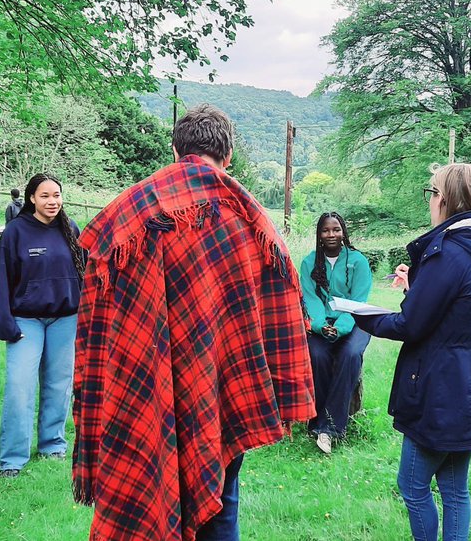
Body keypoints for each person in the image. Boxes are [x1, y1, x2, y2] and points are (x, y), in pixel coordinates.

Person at [72, 104, 315, 541]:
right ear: (229, 154)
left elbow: (97, 315)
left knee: (158, 492)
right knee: (223, 498)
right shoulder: (247, 213)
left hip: (144, 388)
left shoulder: (129, 212)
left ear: (175, 148)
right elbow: (283, 302)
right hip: (223, 389)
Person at [352, 163, 471, 541]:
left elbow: (409, 325)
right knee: (454, 488)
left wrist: (358, 314)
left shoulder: (447, 253)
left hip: (441, 389)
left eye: (431, 193)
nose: (429, 201)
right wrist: (416, 287)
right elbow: (456, 312)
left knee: (412, 485)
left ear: (443, 199)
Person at [0, 173, 85, 478]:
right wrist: (5, 322)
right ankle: (12, 459)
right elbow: (0, 281)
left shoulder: (69, 229)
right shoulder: (16, 232)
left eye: (56, 195)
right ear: (32, 198)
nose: (52, 201)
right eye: (45, 196)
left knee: (59, 386)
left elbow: (88, 270)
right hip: (25, 321)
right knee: (19, 388)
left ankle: (52, 444)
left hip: (65, 319)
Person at [298, 211, 372, 455]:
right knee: (317, 355)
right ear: (319, 234)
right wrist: (320, 325)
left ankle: (330, 428)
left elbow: (358, 300)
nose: (331, 234)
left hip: (354, 322)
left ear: (344, 232)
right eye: (326, 230)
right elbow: (310, 299)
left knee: (350, 355)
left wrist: (340, 328)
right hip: (322, 323)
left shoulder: (358, 261)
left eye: (336, 229)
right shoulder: (310, 263)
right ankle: (315, 420)